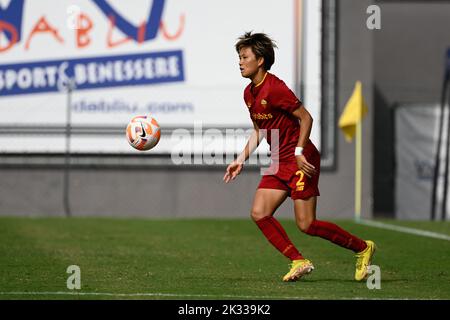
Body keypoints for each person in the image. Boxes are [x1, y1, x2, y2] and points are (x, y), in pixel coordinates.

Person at [223, 32, 376, 282]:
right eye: (239, 57)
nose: (240, 62)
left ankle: (363, 248)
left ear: (260, 60)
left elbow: (306, 117)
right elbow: (260, 129)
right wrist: (241, 159)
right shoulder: (249, 94)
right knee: (259, 213)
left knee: (307, 224)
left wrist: (298, 152)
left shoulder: (275, 88)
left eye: (244, 57)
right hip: (277, 160)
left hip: (300, 159)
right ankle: (298, 260)